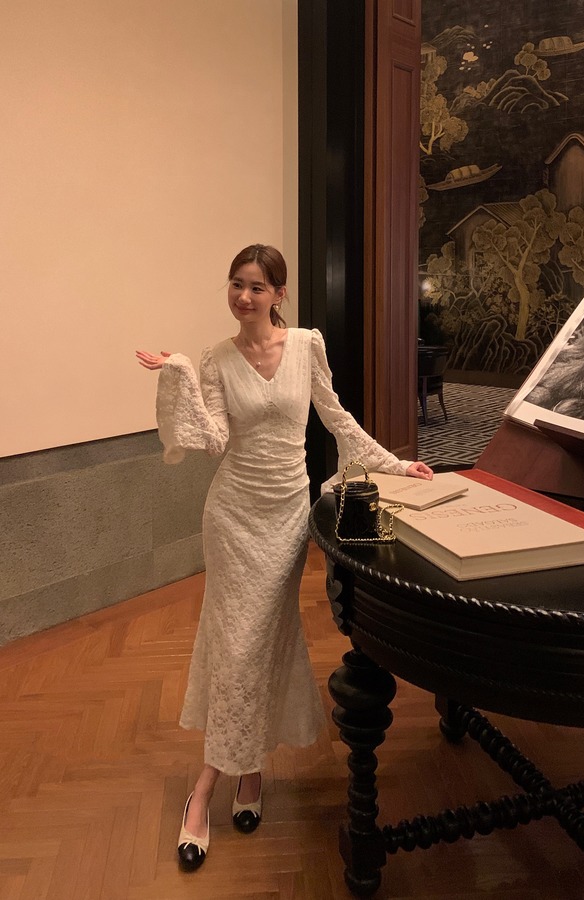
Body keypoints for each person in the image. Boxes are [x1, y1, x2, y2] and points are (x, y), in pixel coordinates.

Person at [136, 243, 433, 871]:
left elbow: (336, 418)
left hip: (285, 520)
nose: (243, 297)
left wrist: (394, 463)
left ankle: (248, 773)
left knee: (263, 640)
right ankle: (207, 788)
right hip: (233, 518)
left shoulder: (305, 346)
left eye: (256, 286)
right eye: (235, 284)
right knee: (236, 644)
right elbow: (215, 441)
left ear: (280, 293)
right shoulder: (217, 359)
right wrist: (182, 373)